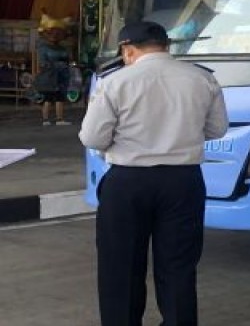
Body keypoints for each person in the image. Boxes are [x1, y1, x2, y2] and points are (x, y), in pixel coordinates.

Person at [79, 21, 229, 326]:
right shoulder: (202, 78)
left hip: (127, 181)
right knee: (178, 265)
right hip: (183, 182)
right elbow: (217, 129)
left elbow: (92, 137)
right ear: (166, 46)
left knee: (120, 265)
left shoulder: (116, 81)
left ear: (127, 49)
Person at [35, 14, 75, 126]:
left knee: (60, 97)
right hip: (49, 76)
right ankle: (45, 119)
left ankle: (60, 119)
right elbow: (43, 63)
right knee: (48, 98)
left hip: (62, 75)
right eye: (52, 32)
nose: (55, 35)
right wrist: (58, 64)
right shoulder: (42, 47)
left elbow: (68, 59)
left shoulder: (63, 48)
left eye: (59, 32)